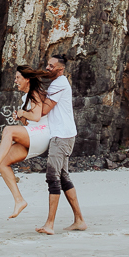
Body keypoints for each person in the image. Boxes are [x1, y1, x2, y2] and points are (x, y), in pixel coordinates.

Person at [0, 66, 52, 219]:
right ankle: (19, 200)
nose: (15, 81)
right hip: (34, 135)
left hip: (42, 134)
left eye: (18, 77)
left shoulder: (35, 92)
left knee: (8, 130)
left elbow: (37, 116)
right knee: (4, 162)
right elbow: (29, 122)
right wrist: (21, 118)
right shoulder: (25, 98)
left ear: (27, 79)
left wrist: (22, 113)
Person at [36, 54, 87, 234]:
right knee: (63, 178)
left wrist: (33, 90)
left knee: (52, 177)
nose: (47, 68)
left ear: (60, 69)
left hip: (62, 137)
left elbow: (44, 110)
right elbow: (45, 100)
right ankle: (79, 220)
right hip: (62, 135)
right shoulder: (57, 84)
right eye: (47, 65)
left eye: (51, 66)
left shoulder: (59, 83)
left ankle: (49, 224)